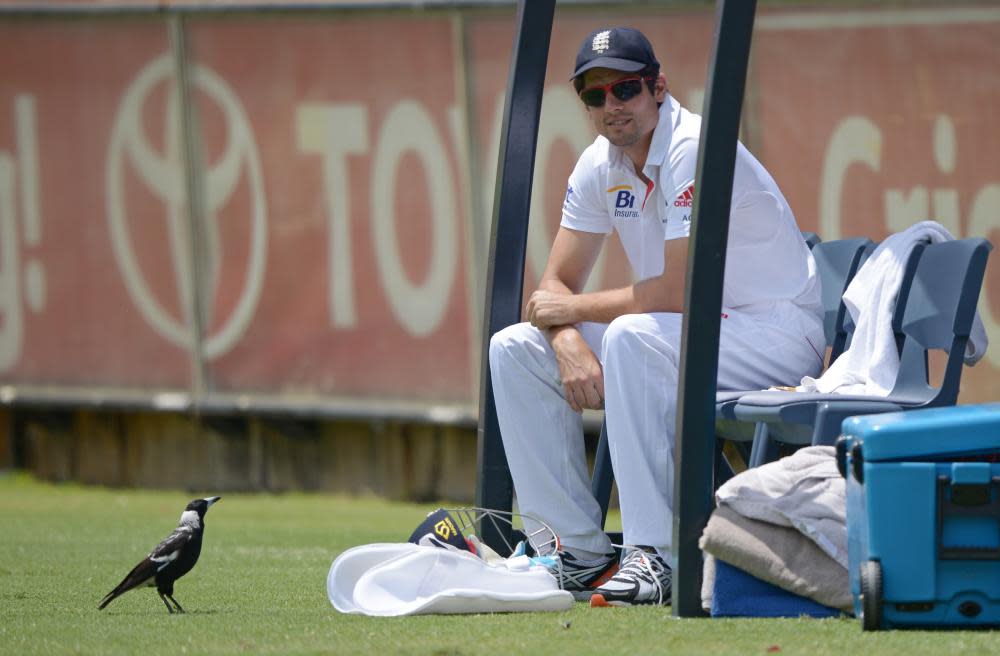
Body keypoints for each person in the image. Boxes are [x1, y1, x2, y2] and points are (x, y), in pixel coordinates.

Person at [489, 26, 825, 607]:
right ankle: (574, 552)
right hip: (688, 333)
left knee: (633, 337)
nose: (611, 106)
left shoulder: (691, 146)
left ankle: (657, 556)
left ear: (658, 87)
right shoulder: (600, 161)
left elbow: (674, 291)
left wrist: (566, 308)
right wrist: (565, 336)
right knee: (516, 347)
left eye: (625, 89)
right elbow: (554, 286)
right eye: (595, 96)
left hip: (775, 335)